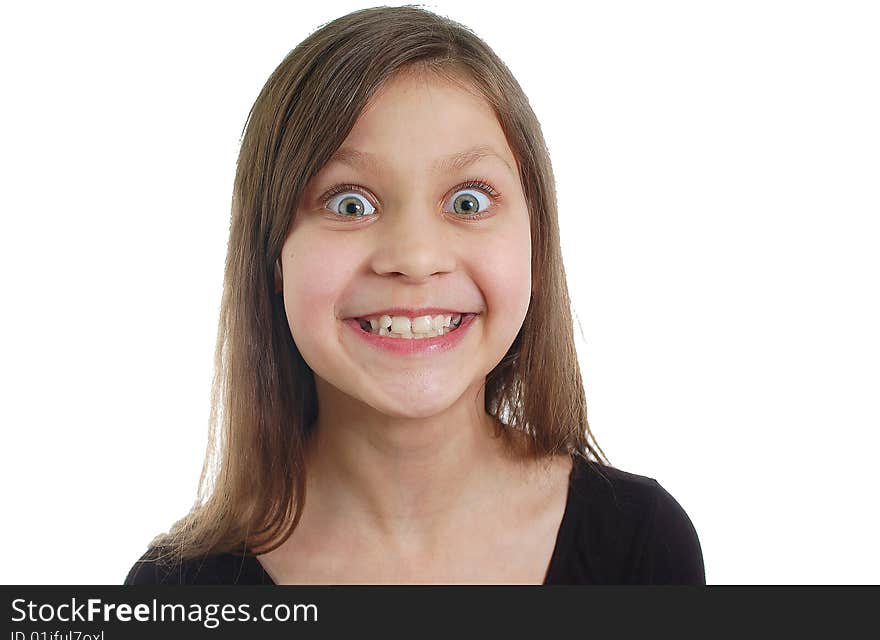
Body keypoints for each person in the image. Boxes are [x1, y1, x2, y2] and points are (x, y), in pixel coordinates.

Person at [125, 5, 705, 585]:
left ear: (535, 237)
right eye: (350, 203)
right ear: (272, 253)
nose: (416, 257)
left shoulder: (643, 547)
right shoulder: (176, 591)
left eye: (468, 202)